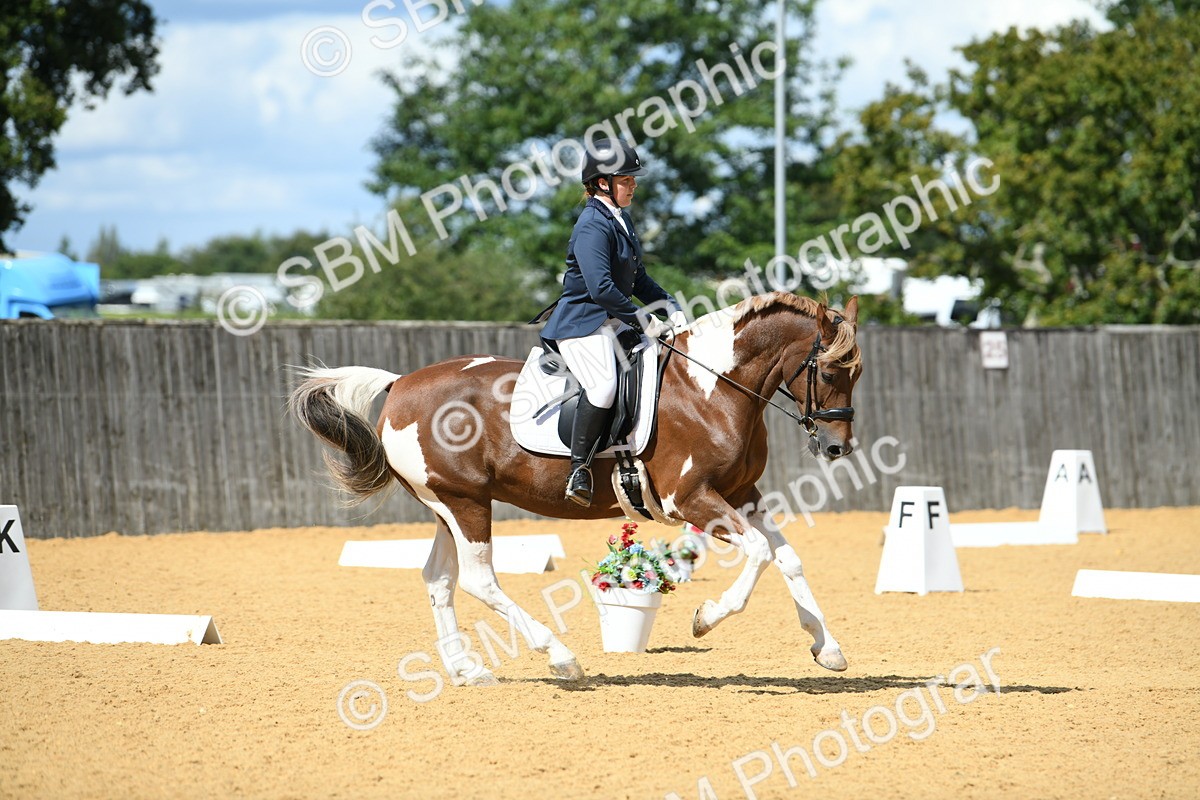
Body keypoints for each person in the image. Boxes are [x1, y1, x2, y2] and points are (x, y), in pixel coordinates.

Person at [538, 138, 687, 507]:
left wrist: (670, 306)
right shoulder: (592, 225)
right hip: (582, 325)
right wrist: (643, 319)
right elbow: (602, 288)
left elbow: (638, 280)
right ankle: (579, 470)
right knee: (603, 387)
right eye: (626, 179)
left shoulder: (621, 219)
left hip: (614, 323)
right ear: (603, 182)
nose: (634, 184)